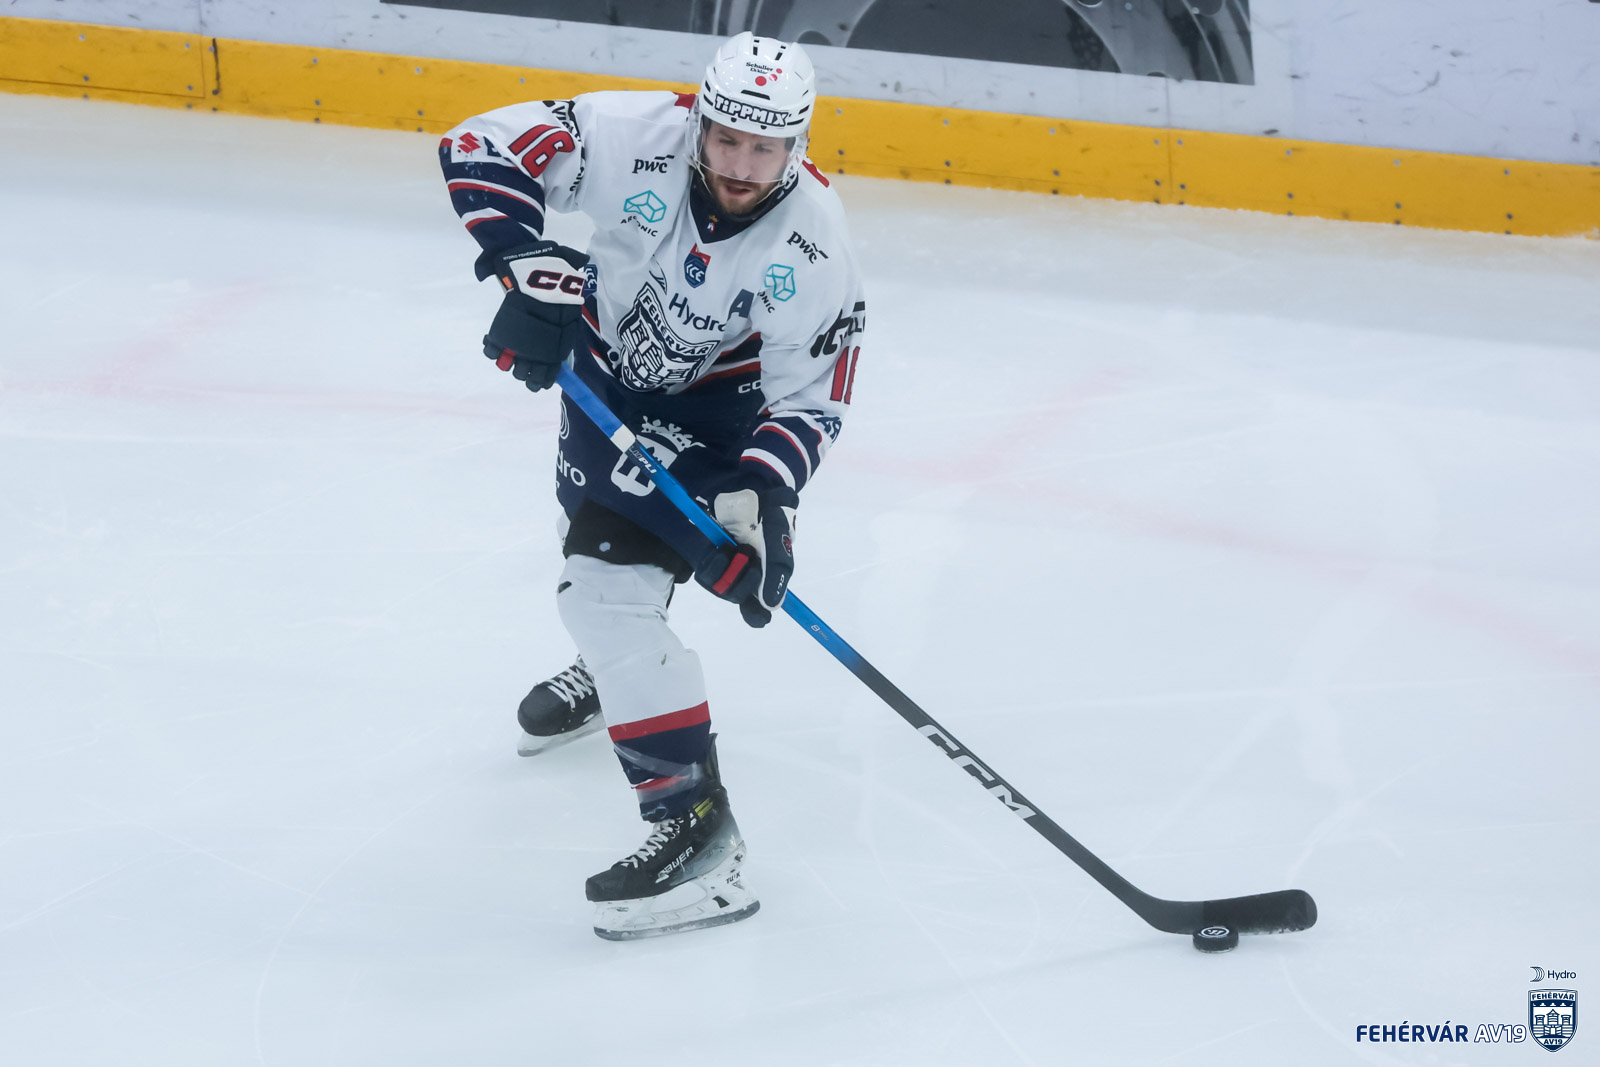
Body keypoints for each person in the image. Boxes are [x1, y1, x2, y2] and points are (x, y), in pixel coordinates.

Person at [439, 32, 866, 940]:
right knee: (582, 535)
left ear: (797, 145)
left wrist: (764, 496)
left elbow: (812, 398)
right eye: (726, 138)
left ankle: (700, 837)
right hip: (604, 371)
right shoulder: (634, 133)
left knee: (601, 594)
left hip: (716, 416)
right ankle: (618, 669)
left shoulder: (815, 243)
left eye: (765, 148)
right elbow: (477, 142)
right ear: (699, 119)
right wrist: (528, 269)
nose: (740, 165)